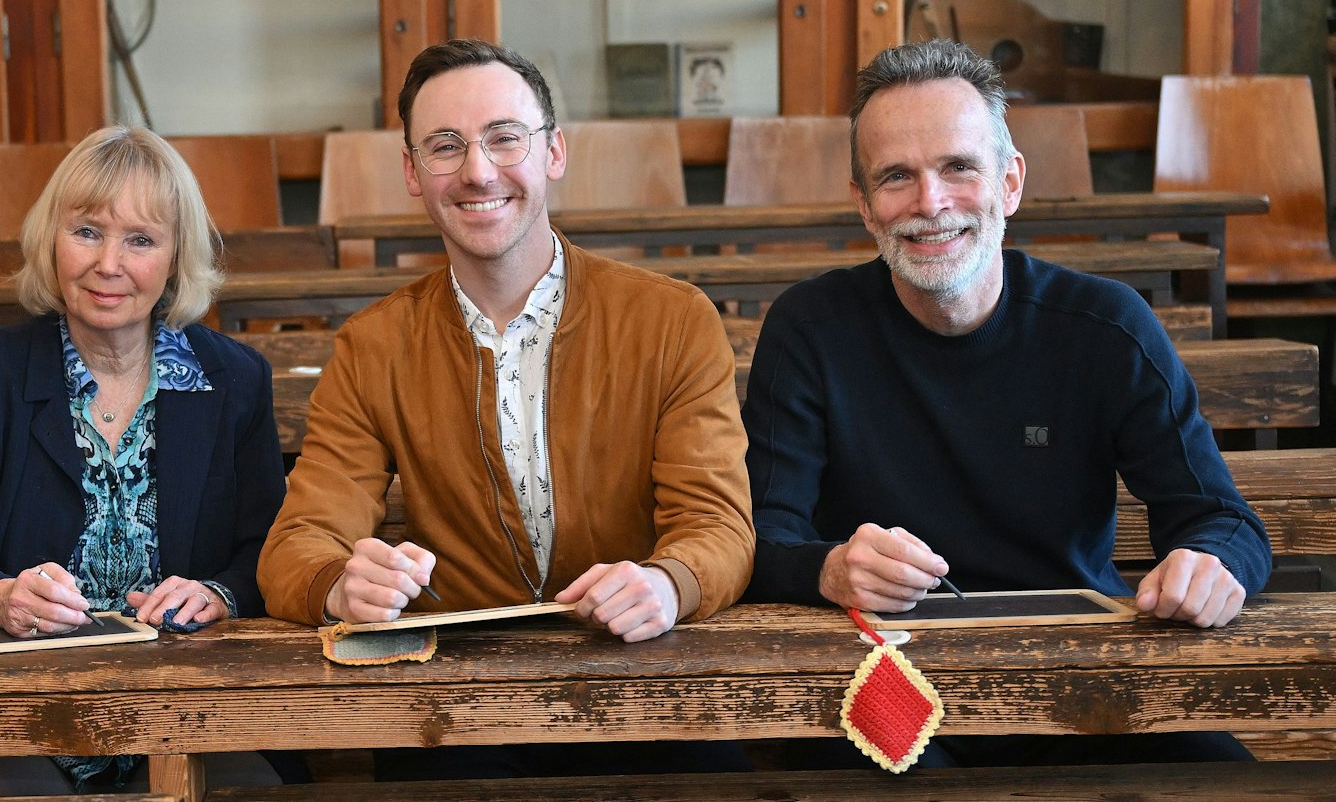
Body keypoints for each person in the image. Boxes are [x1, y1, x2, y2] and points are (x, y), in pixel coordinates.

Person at [743, 38, 1271, 767]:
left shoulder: (1108, 327)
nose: (931, 203)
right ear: (864, 205)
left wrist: (1210, 563)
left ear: (1011, 181)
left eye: (959, 167)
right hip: (884, 680)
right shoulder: (808, 329)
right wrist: (827, 567)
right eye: (897, 176)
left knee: (1235, 780)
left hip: (1080, 674)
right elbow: (760, 536)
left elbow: (1223, 519)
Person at [259, 38, 754, 780]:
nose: (478, 170)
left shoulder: (672, 320)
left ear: (554, 151)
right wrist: (339, 584)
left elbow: (719, 525)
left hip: (645, 690)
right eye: (445, 146)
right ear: (412, 172)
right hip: (456, 716)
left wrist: (667, 582)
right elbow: (297, 544)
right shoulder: (374, 345)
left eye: (504, 138)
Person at [0, 126, 287, 796]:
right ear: (52, 239)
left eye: (140, 239)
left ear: (174, 257)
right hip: (20, 714)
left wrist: (219, 594)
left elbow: (272, 547)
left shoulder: (235, 379)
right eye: (87, 231)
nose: (109, 262)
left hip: (197, 708)